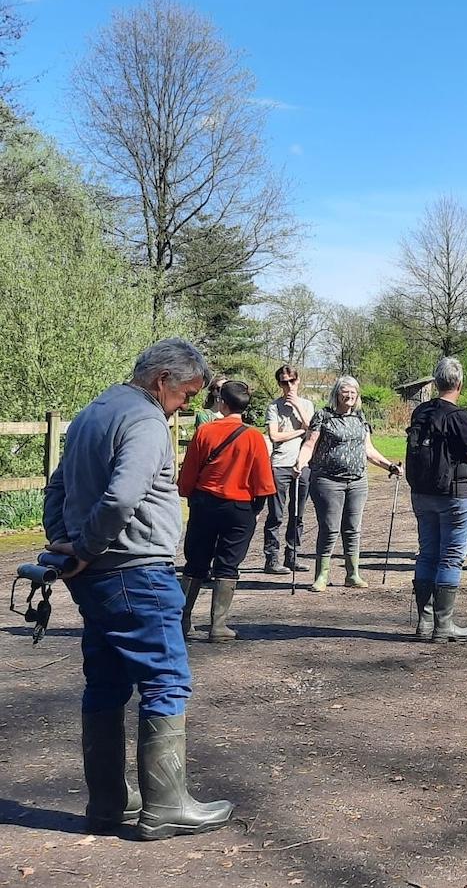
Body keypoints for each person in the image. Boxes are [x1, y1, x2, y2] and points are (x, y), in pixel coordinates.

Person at [42, 337, 234, 840]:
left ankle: (108, 801)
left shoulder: (92, 412)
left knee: (105, 683)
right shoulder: (146, 421)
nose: (188, 404)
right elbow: (124, 494)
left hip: (98, 578)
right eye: (187, 393)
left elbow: (57, 484)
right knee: (165, 680)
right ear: (161, 381)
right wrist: (82, 545)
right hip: (137, 572)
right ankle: (167, 806)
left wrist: (64, 544)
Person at [176, 380, 276, 643]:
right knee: (228, 565)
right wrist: (254, 510)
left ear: (222, 402)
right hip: (239, 508)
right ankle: (218, 626)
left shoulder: (205, 432)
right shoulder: (254, 436)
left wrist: (188, 495)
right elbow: (264, 482)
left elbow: (188, 475)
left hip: (205, 504)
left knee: (195, 563)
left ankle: (180, 621)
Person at [406, 356, 467, 642]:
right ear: (459, 383)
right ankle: (444, 625)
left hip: (422, 493)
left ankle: (424, 623)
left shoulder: (420, 412)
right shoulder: (459, 417)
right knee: (451, 558)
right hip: (456, 495)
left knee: (427, 553)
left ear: (436, 381)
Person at [295, 376, 402, 592]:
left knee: (353, 529)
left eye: (354, 392)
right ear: (336, 394)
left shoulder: (360, 418)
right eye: (345, 391)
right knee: (329, 528)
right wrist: (300, 461)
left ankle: (352, 574)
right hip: (327, 481)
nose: (350, 395)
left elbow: (368, 450)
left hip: (357, 481)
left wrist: (389, 466)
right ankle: (321, 576)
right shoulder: (323, 416)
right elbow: (310, 444)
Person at [262, 365, 315, 576]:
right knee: (276, 514)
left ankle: (292, 555)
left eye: (292, 381)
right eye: (284, 382)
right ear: (279, 384)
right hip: (280, 465)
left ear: (298, 380)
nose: (289, 386)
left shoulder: (308, 404)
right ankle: (271, 559)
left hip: (303, 465)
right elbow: (274, 436)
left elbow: (313, 430)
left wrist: (299, 410)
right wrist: (300, 430)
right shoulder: (273, 407)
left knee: (298, 514)